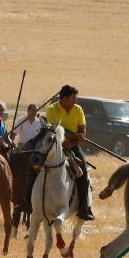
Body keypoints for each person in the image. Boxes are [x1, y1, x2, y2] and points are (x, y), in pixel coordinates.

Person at [46, 85, 94, 221]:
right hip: (54, 145)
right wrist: (74, 136)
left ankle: (84, 208)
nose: (75, 101)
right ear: (65, 98)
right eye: (73, 98)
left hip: (73, 146)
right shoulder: (52, 109)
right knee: (35, 165)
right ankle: (27, 200)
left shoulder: (78, 109)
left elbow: (82, 132)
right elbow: (58, 131)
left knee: (83, 171)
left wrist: (74, 140)